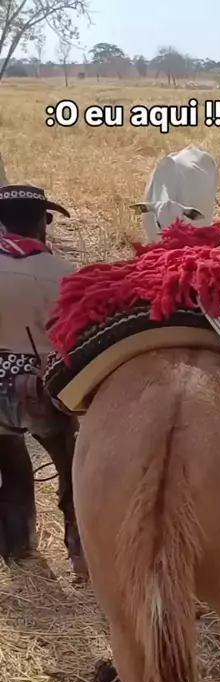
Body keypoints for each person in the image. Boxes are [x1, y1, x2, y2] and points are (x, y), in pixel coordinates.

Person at [0, 184, 86, 579]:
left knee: (12, 469)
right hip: (40, 387)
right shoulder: (63, 274)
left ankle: (19, 549)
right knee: (71, 470)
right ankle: (80, 552)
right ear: (41, 224)